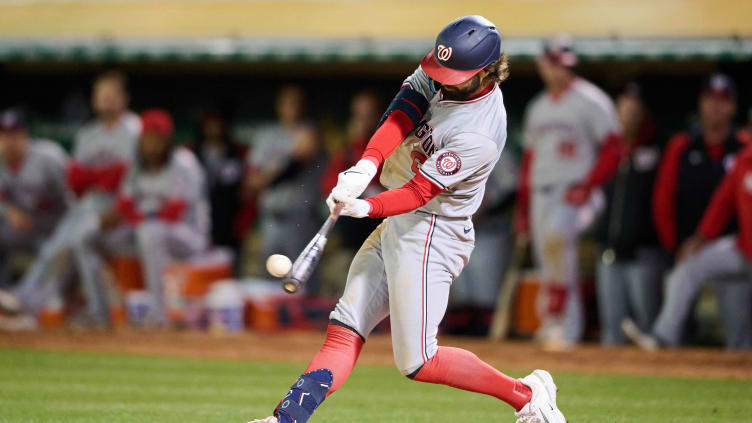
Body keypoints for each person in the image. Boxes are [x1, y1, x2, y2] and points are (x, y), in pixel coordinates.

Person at [250, 16, 566, 423]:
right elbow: (404, 110)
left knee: (418, 361)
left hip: (434, 230)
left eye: (455, 76)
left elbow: (419, 193)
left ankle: (526, 394)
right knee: (345, 327)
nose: (443, 80)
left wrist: (366, 206)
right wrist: (366, 166)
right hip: (399, 219)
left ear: (487, 71)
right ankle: (286, 419)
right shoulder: (441, 67)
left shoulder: (480, 133)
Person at [0, 71, 140, 327]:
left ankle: (27, 302)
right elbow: (77, 180)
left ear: (125, 99)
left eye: (112, 94)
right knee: (63, 244)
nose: (106, 99)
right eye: (101, 94)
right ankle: (31, 302)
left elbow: (125, 177)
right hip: (90, 206)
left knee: (71, 239)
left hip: (125, 212)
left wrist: (96, 176)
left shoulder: (135, 129)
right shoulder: (88, 133)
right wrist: (103, 176)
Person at [624, 74, 751, 349]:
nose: (716, 107)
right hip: (737, 249)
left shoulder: (741, 146)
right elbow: (719, 202)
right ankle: (662, 337)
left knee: (740, 338)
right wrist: (691, 241)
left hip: (738, 248)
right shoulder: (737, 157)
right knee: (688, 269)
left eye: (723, 101)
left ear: (732, 108)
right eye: (710, 100)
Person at [516, 34, 624, 349]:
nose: (559, 71)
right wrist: (522, 209)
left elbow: (614, 148)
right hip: (541, 191)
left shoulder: (591, 99)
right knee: (548, 258)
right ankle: (554, 325)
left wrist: (589, 185)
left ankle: (566, 326)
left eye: (564, 65)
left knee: (556, 239)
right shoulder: (538, 107)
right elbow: (529, 160)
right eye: (553, 65)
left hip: (576, 190)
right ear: (542, 65)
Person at [92, 109, 210, 326]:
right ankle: (100, 311)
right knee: (92, 237)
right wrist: (103, 222)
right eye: (148, 138)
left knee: (150, 231)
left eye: (159, 139)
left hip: (188, 236)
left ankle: (159, 314)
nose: (153, 145)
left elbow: (172, 212)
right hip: (145, 231)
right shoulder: (136, 167)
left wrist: (136, 214)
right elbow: (124, 205)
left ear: (168, 140)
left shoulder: (184, 163)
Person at [593, 84, 666, 345]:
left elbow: (664, 201)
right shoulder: (609, 150)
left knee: (647, 327)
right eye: (623, 110)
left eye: (634, 111)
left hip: (644, 252)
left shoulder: (657, 150)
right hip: (609, 249)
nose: (628, 117)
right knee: (612, 330)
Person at [243, 86, 322, 287]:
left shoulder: (309, 131)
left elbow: (297, 161)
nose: (292, 108)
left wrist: (267, 176)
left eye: (297, 103)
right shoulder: (267, 134)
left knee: (301, 283)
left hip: (300, 219)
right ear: (279, 107)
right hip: (270, 219)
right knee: (270, 286)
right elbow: (252, 179)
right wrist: (270, 174)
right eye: (288, 103)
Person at [0, 109, 69, 289]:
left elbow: (73, 194)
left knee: (52, 251)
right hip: (26, 225)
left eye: (15, 135)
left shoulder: (49, 157)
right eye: (4, 135)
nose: (9, 141)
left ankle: (44, 298)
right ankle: (5, 292)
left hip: (59, 221)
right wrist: (8, 211)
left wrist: (70, 229)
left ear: (26, 136)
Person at [193, 112, 246, 255]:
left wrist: (241, 224)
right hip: (199, 220)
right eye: (210, 124)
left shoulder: (238, 152)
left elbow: (244, 190)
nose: (214, 128)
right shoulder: (192, 153)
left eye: (218, 124)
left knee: (228, 269)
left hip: (228, 222)